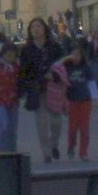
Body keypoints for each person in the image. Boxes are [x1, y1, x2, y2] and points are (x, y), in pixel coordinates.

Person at [18, 17, 61, 161]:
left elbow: (62, 65)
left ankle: (54, 144)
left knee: (56, 122)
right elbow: (23, 71)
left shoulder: (54, 47)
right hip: (37, 89)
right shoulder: (27, 50)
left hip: (54, 88)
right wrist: (22, 90)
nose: (36, 29)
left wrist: (54, 75)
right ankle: (46, 152)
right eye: (33, 27)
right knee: (42, 123)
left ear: (44, 29)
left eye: (38, 26)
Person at [53, 36, 94, 161]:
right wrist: (67, 58)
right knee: (72, 128)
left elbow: (91, 82)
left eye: (78, 55)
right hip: (71, 100)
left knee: (84, 128)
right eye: (73, 55)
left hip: (85, 100)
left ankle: (83, 152)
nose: (76, 57)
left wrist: (95, 98)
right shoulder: (66, 67)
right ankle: (71, 146)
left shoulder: (85, 67)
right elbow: (55, 67)